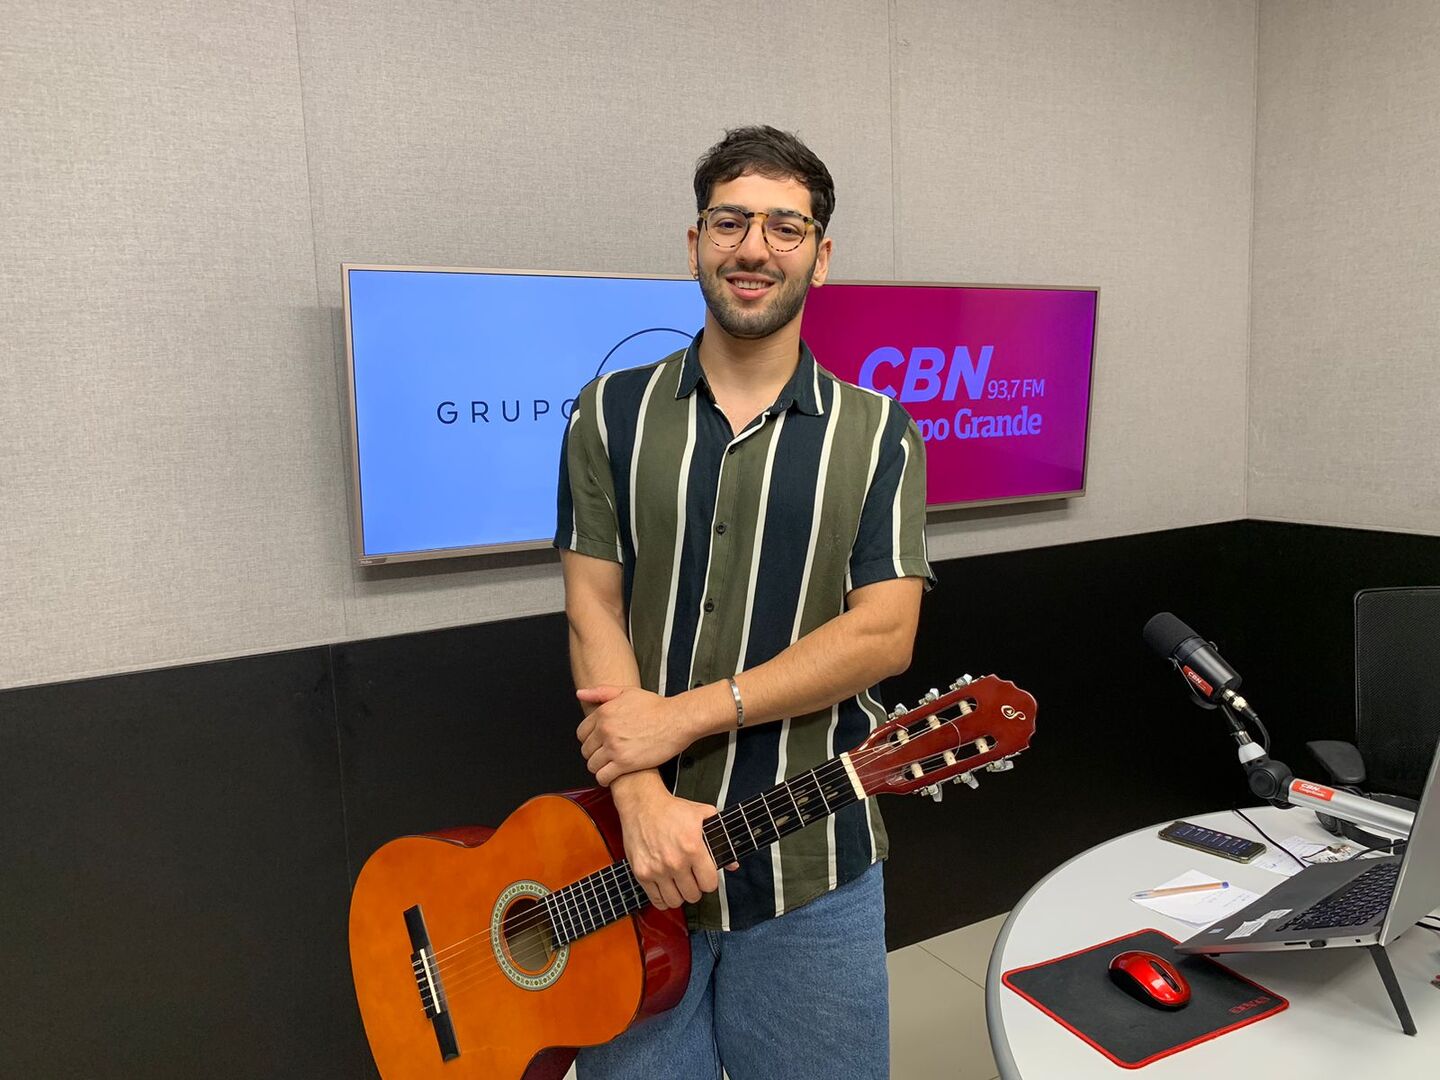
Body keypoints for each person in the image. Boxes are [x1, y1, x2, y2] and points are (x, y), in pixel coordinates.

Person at [554, 124, 934, 1080]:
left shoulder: (879, 432)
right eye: (730, 222)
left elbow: (886, 634)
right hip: (625, 867)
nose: (754, 248)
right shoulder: (609, 413)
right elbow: (591, 609)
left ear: (820, 253)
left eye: (784, 227)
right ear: (695, 243)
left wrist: (676, 719)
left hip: (813, 866)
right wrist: (638, 797)